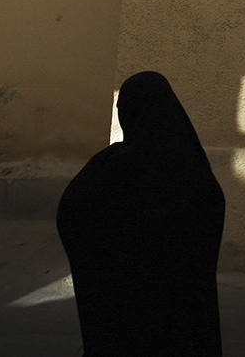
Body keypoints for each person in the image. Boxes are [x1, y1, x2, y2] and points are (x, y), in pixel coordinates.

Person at [56, 71, 226, 356]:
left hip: (122, 325)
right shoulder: (194, 170)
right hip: (184, 328)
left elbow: (71, 212)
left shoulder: (111, 168)